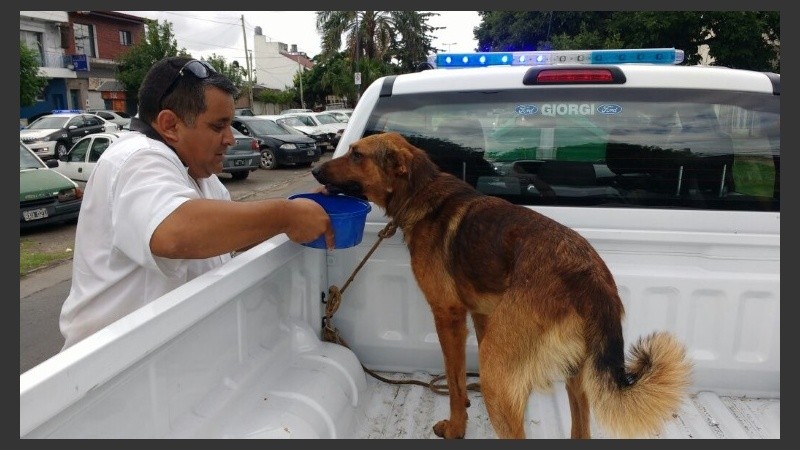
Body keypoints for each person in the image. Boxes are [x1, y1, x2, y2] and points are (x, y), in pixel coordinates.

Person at [59, 56, 334, 349]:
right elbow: (175, 233)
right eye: (218, 127)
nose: (230, 139)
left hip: (166, 363)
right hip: (111, 372)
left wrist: (302, 209)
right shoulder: (136, 159)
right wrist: (286, 215)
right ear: (170, 124)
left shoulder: (200, 174)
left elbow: (227, 235)